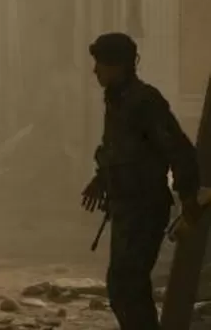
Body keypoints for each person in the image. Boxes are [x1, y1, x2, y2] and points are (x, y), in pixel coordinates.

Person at [81, 32, 201, 330]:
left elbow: (179, 150)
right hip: (126, 209)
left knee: (128, 285)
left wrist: (188, 201)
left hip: (145, 208)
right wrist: (102, 179)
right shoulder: (117, 101)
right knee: (122, 286)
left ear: (118, 65)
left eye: (100, 63)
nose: (95, 70)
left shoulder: (144, 102)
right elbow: (119, 151)